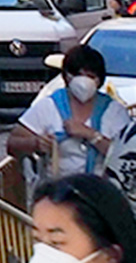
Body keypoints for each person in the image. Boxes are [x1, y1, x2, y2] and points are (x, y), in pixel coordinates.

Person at [10, 46, 131, 181]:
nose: (84, 82)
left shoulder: (114, 111)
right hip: (57, 188)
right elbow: (13, 143)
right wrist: (36, 143)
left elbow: (127, 156)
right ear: (67, 76)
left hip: (103, 188)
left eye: (91, 76)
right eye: (79, 75)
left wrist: (92, 136)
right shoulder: (49, 105)